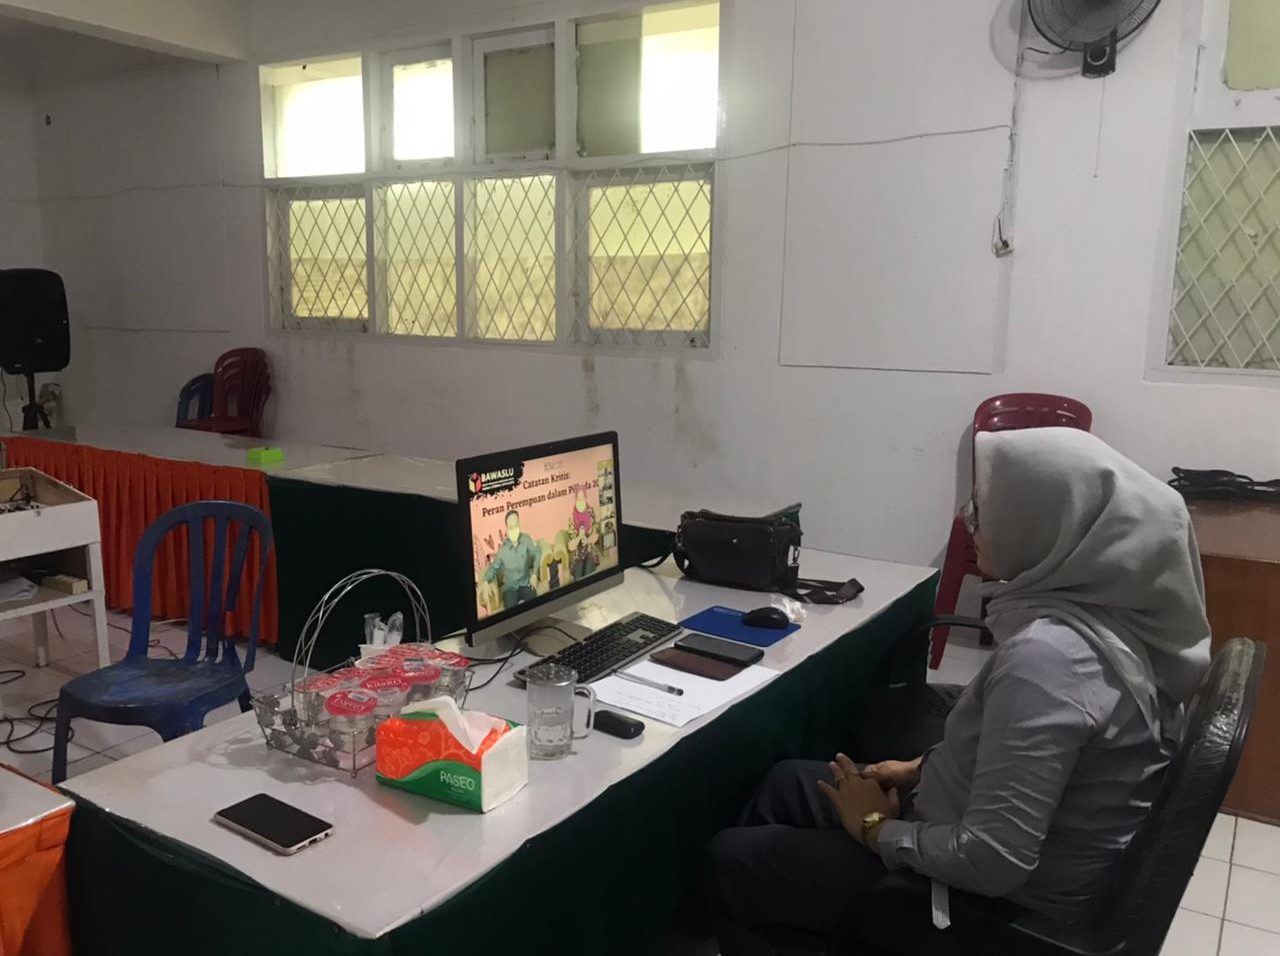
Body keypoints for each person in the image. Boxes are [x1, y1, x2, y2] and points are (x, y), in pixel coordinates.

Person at [705, 428, 1212, 955]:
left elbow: (993, 862)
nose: (970, 525)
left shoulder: (1049, 660)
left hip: (990, 910)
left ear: (1047, 525)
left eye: (984, 511)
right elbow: (1040, 758)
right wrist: (919, 769)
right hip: (980, 833)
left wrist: (875, 828)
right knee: (786, 782)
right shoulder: (1117, 619)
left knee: (732, 858)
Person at [482, 510, 541, 610]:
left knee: (535, 606)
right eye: (511, 527)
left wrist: (534, 574)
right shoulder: (503, 550)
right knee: (511, 611)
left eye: (516, 525)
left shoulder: (526, 539)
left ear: (519, 524)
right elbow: (493, 568)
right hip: (510, 589)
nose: (514, 529)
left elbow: (537, 552)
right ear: (507, 529)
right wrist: (486, 581)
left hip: (526, 584)